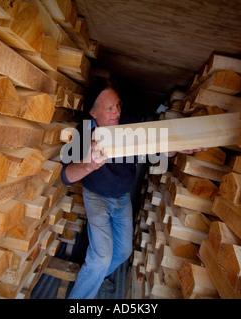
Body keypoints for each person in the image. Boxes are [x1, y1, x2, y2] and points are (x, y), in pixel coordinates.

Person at [60, 79, 204, 299]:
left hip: (122, 198)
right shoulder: (83, 134)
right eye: (109, 109)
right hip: (96, 197)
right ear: (93, 113)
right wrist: (88, 164)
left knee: (123, 252)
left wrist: (175, 147)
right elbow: (66, 176)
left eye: (118, 105)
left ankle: (93, 277)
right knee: (101, 257)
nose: (116, 111)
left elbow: (158, 148)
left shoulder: (130, 124)